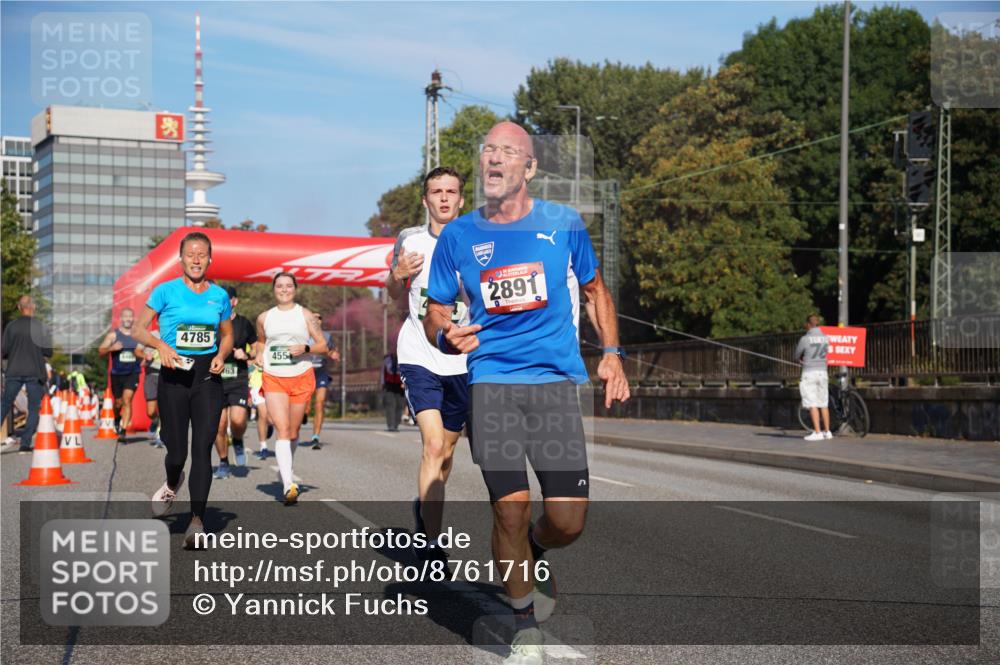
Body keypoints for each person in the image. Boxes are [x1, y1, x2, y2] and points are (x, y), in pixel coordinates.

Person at [424, 121, 630, 665]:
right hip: (491, 382)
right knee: (509, 511)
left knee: (567, 521)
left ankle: (537, 550)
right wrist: (444, 331)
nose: (493, 158)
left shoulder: (563, 224)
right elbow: (436, 310)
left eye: (507, 152)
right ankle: (524, 624)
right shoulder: (459, 236)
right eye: (487, 150)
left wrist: (612, 353)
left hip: (554, 386)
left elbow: (594, 290)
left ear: (530, 168)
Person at [386, 165, 470, 561]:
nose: (443, 198)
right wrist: (396, 274)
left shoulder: (478, 240)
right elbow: (391, 292)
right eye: (436, 191)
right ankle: (432, 544)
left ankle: (425, 511)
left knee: (447, 455)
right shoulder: (410, 240)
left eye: (450, 191)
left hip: (463, 361)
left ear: (461, 199)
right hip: (419, 354)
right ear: (425, 200)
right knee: (433, 445)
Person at [132, 231, 233, 549]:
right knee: (176, 453)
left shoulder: (219, 296)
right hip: (173, 379)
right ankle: (173, 481)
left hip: (207, 380)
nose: (196, 259)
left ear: (210, 259)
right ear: (181, 258)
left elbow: (227, 334)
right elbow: (137, 328)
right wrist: (160, 345)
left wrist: (221, 354)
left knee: (202, 449)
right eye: (190, 253)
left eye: (202, 254)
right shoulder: (165, 291)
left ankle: (196, 522)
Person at [254, 273, 328, 505]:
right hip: (274, 377)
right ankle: (288, 484)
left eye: (288, 286)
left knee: (294, 432)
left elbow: (323, 345)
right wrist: (258, 354)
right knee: (282, 428)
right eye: (279, 286)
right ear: (273, 289)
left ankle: (286, 467)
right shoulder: (264, 317)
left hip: (300, 376)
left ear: (295, 289)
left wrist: (305, 347)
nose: (284, 290)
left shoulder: (305, 315)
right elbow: (261, 342)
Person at [214, 286, 257, 478]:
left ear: (234, 301)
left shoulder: (244, 323)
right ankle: (223, 462)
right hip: (215, 379)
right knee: (219, 425)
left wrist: (246, 354)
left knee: (238, 421)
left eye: (226, 298)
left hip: (238, 378)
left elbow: (256, 350)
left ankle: (238, 439)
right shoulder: (211, 321)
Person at [1, 295, 53, 453]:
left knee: (4, 404)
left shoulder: (11, 327)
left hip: (14, 370)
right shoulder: (41, 327)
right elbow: (48, 352)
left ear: (19, 307)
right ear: (34, 308)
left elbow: (4, 351)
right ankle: (25, 444)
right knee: (33, 407)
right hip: (34, 371)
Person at [98, 307, 144, 442]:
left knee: (127, 400)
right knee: (118, 403)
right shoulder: (113, 335)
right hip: (117, 374)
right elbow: (100, 351)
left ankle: (123, 431)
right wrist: (112, 348)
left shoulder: (137, 335)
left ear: (133, 319)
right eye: (126, 316)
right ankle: (117, 418)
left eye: (130, 316)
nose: (128, 319)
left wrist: (144, 356)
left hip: (133, 372)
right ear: (121, 319)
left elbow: (143, 349)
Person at [305, 312, 340, 450]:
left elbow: (331, 350)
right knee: (305, 405)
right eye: (313, 317)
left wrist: (334, 354)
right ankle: (304, 413)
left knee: (320, 403)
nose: (316, 319)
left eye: (319, 317)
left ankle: (316, 436)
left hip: (320, 372)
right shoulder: (302, 335)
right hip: (305, 370)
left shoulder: (327, 336)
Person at [796, 314, 832, 441]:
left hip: (809, 373)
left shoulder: (805, 339)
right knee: (823, 403)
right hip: (823, 372)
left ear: (808, 324)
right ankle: (827, 431)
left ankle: (817, 432)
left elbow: (797, 355)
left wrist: (801, 360)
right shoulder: (826, 338)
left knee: (812, 403)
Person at [142, 331, 165, 448]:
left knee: (164, 408)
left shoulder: (174, 332)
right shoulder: (151, 334)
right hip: (151, 374)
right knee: (150, 412)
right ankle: (155, 421)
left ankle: (161, 435)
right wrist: (144, 356)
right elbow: (137, 350)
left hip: (167, 374)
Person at [249, 362, 272, 460]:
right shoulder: (258, 345)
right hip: (258, 381)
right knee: (263, 413)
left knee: (270, 418)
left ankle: (270, 424)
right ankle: (263, 447)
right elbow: (252, 352)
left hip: (275, 379)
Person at [380, 352, 405, 432]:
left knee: (400, 405)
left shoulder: (404, 358)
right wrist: (383, 384)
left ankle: (396, 424)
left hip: (400, 385)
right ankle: (390, 425)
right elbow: (383, 373)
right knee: (390, 405)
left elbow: (407, 372)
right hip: (389, 385)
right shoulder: (387, 359)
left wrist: (406, 383)